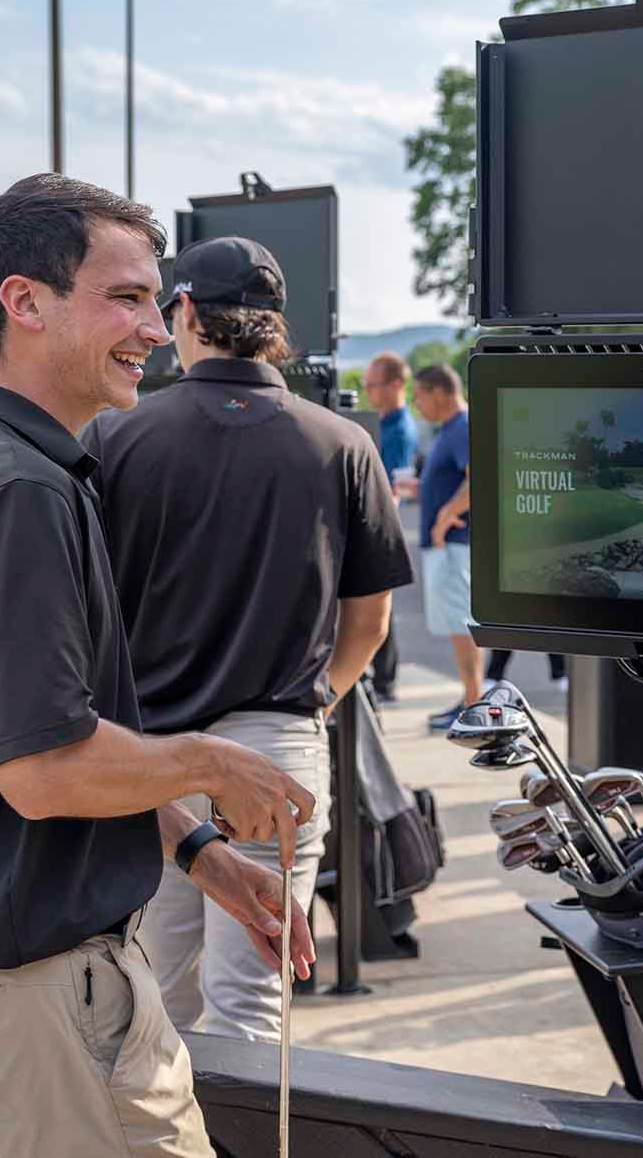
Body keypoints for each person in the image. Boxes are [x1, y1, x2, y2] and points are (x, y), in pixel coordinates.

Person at [0, 174, 318, 1158]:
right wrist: (212, 762)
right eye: (123, 299)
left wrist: (201, 853)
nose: (156, 329)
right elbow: (43, 770)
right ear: (26, 301)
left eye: (154, 302)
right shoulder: (19, 488)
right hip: (39, 997)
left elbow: (21, 736)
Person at [83, 235, 412, 1044]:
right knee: (252, 1009)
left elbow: (83, 617)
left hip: (146, 754)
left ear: (186, 313)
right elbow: (369, 624)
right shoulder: (343, 445)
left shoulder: (115, 439)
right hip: (275, 755)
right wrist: (318, 702)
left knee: (150, 1005)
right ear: (275, 326)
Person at [414, 365, 481, 730]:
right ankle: (469, 700)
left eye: (419, 395)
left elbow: (478, 477)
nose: (416, 404)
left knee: (463, 625)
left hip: (456, 543)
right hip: (449, 545)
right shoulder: (450, 430)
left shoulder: (462, 426)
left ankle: (473, 705)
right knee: (458, 624)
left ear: (439, 391)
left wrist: (444, 517)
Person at [364, 351, 420, 703]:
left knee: (376, 603)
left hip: (379, 524)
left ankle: (384, 680)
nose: (368, 391)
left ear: (396, 385)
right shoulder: (386, 423)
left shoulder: (399, 430)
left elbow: (393, 487)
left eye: (373, 385)